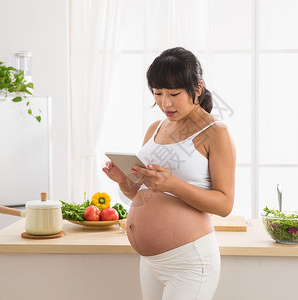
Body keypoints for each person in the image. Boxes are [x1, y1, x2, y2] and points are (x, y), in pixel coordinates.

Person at [103, 47, 236, 300]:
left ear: (197, 89)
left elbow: (225, 204)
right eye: (158, 93)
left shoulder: (216, 132)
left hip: (189, 262)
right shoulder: (156, 127)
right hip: (151, 263)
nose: (165, 103)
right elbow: (142, 194)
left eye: (174, 94)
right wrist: (124, 182)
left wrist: (172, 184)